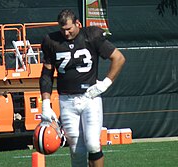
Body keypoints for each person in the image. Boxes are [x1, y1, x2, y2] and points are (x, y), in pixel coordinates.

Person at [39, 9, 125, 167]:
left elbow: (118, 58)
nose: (66, 33)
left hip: (89, 97)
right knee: (77, 151)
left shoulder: (91, 36)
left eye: (69, 29)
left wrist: (105, 84)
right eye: (62, 30)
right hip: (66, 100)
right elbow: (46, 75)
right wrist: (45, 104)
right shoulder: (51, 41)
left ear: (78, 24)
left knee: (93, 144)